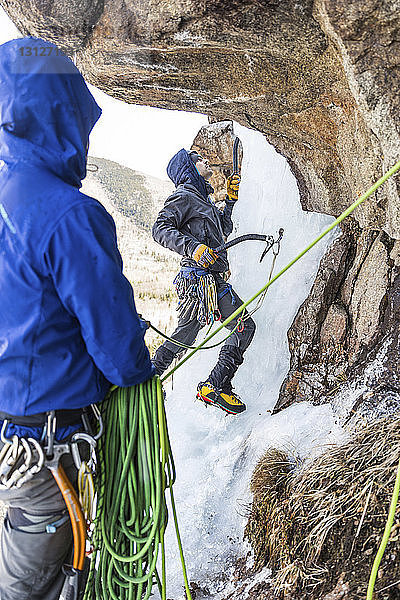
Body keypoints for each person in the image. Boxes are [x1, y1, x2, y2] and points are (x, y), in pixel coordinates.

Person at [0, 37, 154, 600]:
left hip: (11, 438)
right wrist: (140, 370)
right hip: (47, 448)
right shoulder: (68, 215)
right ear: (58, 113)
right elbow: (118, 350)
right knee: (31, 587)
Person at [152, 148, 256, 414]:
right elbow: (160, 229)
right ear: (188, 167)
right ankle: (215, 385)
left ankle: (151, 376)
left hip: (201, 280)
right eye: (198, 159)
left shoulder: (202, 200)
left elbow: (224, 230)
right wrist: (194, 248)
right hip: (202, 279)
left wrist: (230, 202)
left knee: (185, 335)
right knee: (243, 326)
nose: (205, 161)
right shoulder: (184, 196)